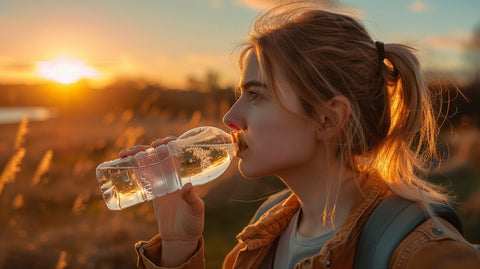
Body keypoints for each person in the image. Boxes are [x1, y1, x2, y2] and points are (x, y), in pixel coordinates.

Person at [121, 2, 480, 268]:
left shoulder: (422, 254)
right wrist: (178, 245)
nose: (231, 117)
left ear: (328, 118)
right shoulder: (268, 228)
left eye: (257, 95)